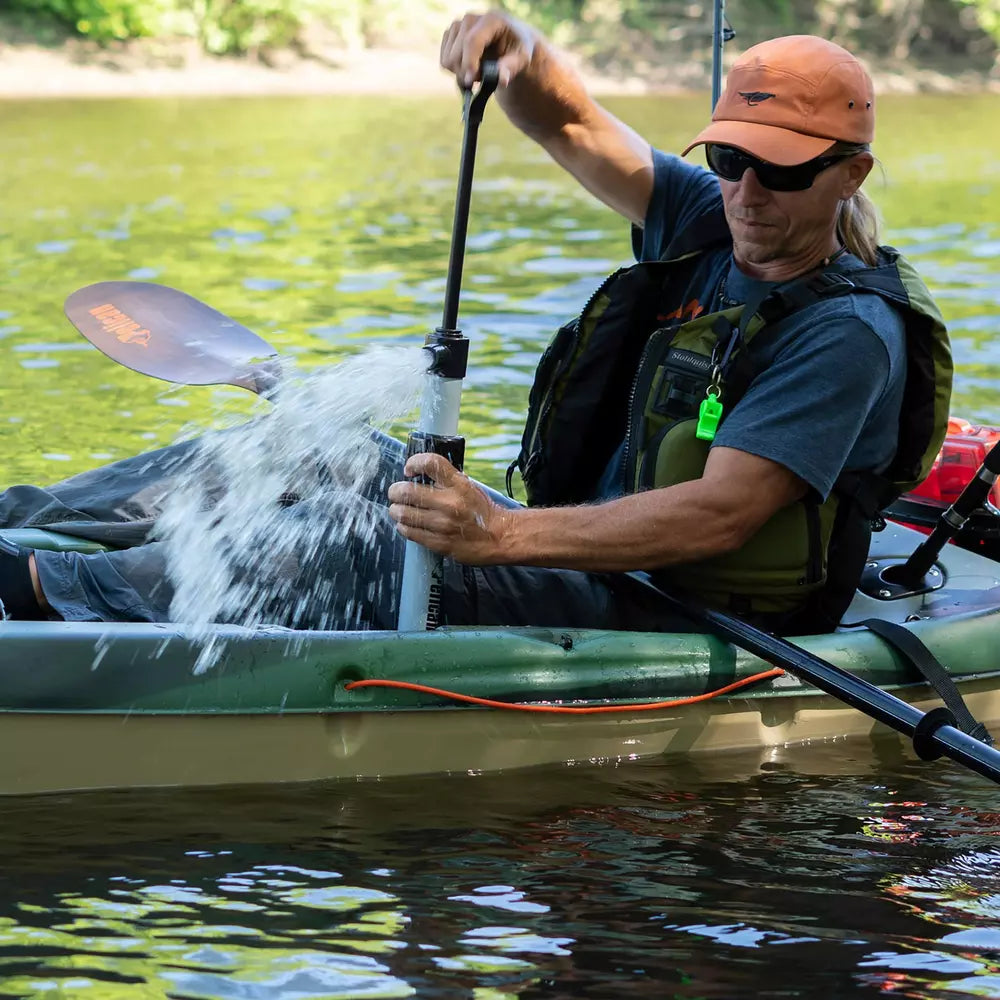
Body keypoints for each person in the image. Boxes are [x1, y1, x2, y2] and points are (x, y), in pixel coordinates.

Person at [0, 14, 951, 635]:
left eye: (781, 170)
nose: (747, 188)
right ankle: (19, 530)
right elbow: (574, 126)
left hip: (661, 602)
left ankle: (45, 598)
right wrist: (523, 54)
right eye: (732, 156)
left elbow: (718, 515)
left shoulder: (846, 332)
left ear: (849, 174)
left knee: (344, 540)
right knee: (297, 446)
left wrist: (498, 533)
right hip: (562, 543)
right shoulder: (712, 215)